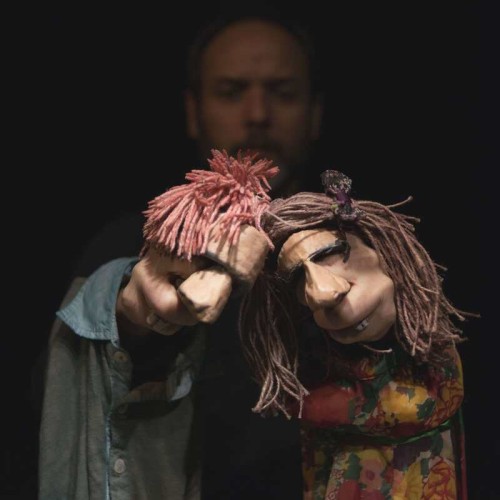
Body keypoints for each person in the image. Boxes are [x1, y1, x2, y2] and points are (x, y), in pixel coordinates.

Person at [38, 9, 324, 500]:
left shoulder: (355, 246)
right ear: (193, 111)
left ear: (315, 113)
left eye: (283, 93)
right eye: (231, 91)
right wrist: (132, 315)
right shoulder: (131, 240)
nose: (258, 113)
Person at [240, 171, 470, 498]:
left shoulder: (431, 355)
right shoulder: (316, 366)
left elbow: (429, 401)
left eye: (328, 254)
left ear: (381, 246)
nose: (321, 293)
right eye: (298, 278)